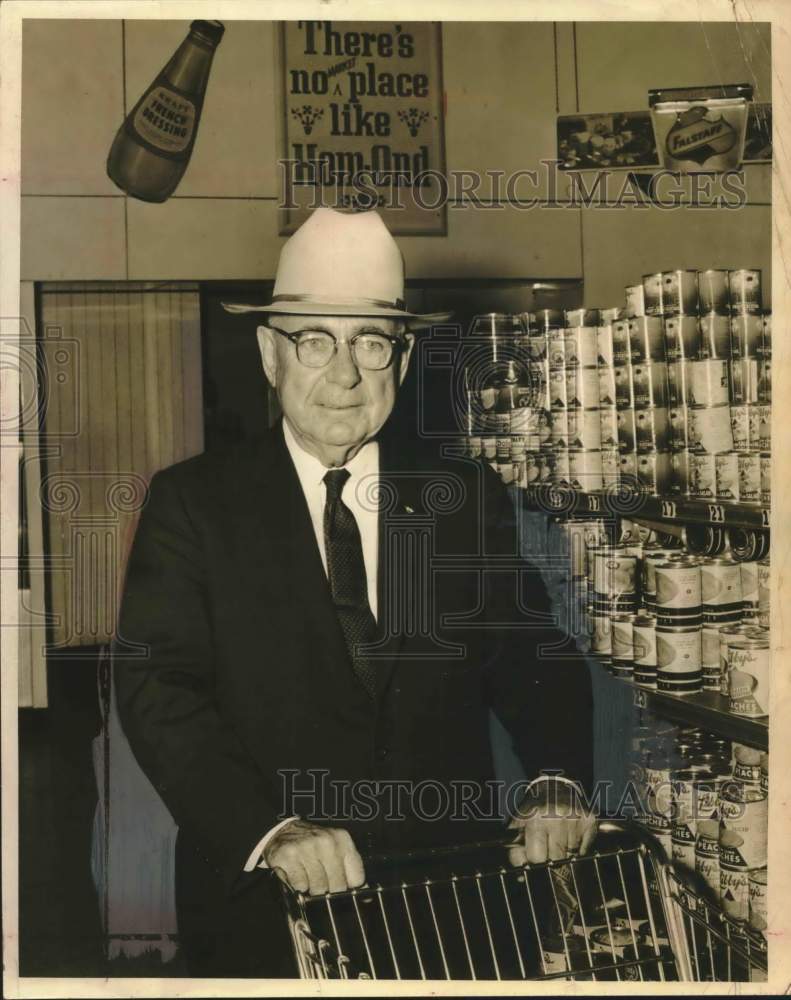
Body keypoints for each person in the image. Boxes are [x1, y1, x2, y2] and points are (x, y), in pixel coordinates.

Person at [115, 207, 596, 978]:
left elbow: (530, 655)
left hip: (449, 904)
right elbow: (156, 688)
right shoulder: (194, 504)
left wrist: (554, 775)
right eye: (315, 342)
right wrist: (269, 831)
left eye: (371, 343)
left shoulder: (461, 495)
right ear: (271, 355)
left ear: (400, 364)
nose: (345, 376)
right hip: (265, 908)